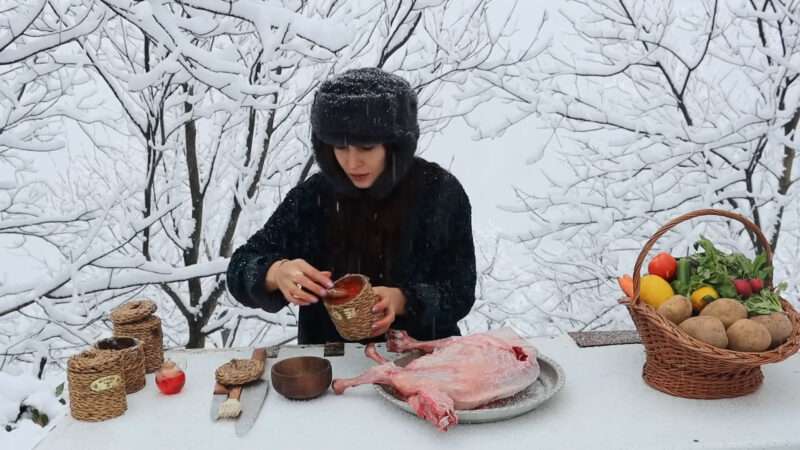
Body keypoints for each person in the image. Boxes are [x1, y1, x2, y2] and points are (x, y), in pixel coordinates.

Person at [226, 67, 476, 344]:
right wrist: (275, 273)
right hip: (330, 366)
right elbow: (241, 267)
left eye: (366, 147)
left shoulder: (440, 192)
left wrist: (404, 299)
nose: (352, 162)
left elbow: (460, 291)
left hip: (423, 358)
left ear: (394, 144)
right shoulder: (313, 198)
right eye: (340, 147)